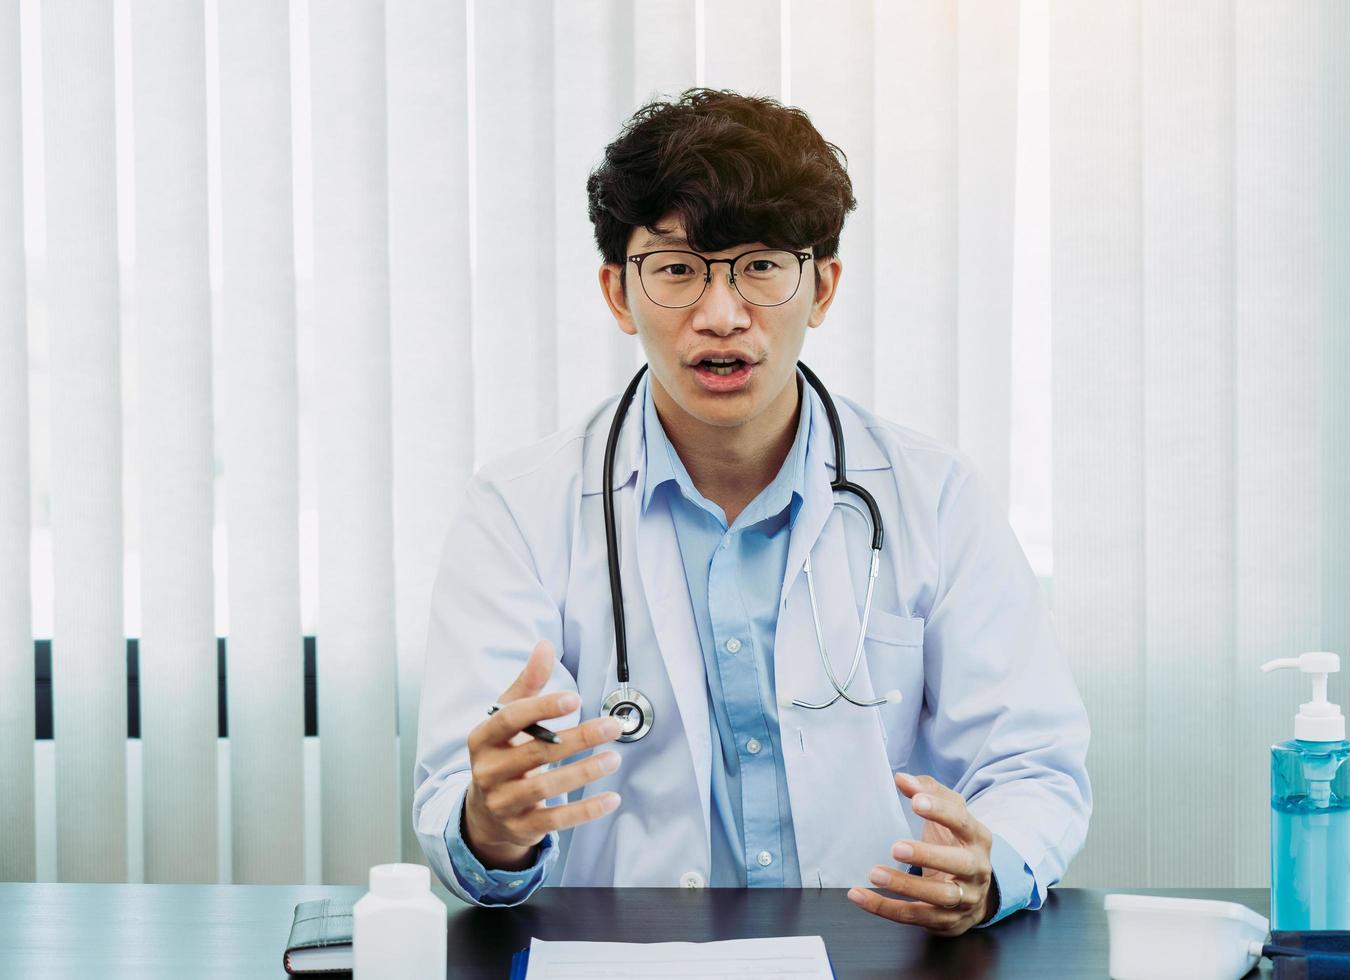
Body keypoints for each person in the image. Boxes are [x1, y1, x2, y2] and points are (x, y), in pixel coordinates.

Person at [413, 88, 1091, 936]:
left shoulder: (935, 495)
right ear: (618, 293)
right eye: (677, 270)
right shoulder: (518, 510)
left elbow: (1033, 764)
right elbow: (461, 799)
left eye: (762, 265)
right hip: (630, 960)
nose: (722, 314)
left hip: (875, 950)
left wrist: (992, 869)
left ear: (823, 286)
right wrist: (492, 827)